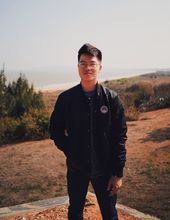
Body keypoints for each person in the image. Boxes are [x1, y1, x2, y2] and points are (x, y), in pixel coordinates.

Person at [49, 43, 127, 220]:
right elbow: (55, 130)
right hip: (77, 169)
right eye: (82, 63)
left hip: (105, 170)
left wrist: (118, 173)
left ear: (100, 67)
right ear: (77, 67)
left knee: (109, 214)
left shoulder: (112, 99)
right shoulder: (66, 99)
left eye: (92, 63)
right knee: (75, 212)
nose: (87, 68)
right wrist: (71, 150)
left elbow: (119, 137)